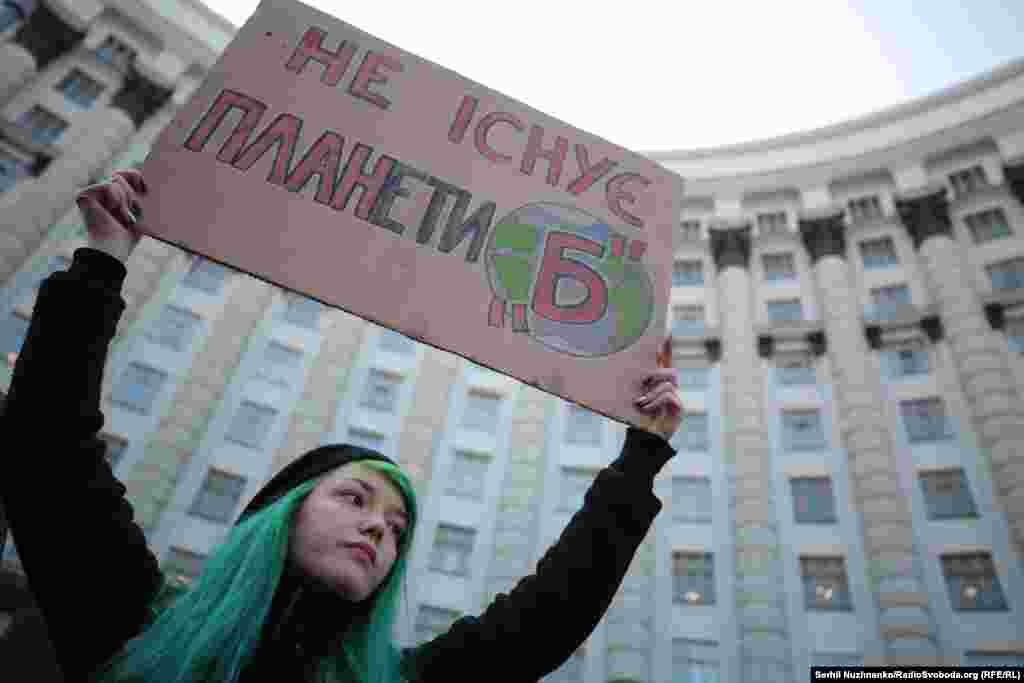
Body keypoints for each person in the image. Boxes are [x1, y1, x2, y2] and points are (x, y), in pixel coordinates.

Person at [0, 169, 684, 682]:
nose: (377, 531)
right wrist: (102, 259)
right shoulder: (137, 622)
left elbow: (546, 616)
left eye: (395, 530)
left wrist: (642, 456)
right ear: (283, 510)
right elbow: (47, 450)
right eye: (356, 499)